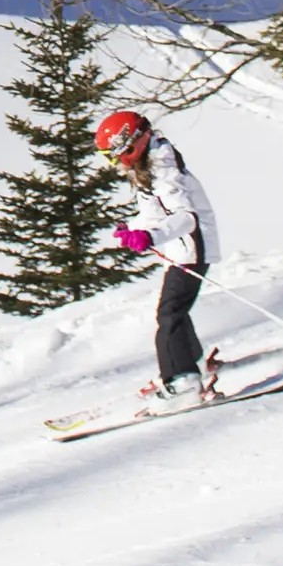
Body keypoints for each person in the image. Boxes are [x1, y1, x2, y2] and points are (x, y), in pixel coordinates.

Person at [98, 110, 222, 412]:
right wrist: (135, 229)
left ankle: (182, 381)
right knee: (174, 311)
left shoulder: (164, 171)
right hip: (183, 250)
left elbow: (185, 218)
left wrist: (151, 237)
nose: (118, 163)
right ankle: (191, 365)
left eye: (120, 154)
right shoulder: (151, 165)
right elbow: (156, 211)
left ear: (136, 142)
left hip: (192, 249)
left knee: (169, 314)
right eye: (110, 158)